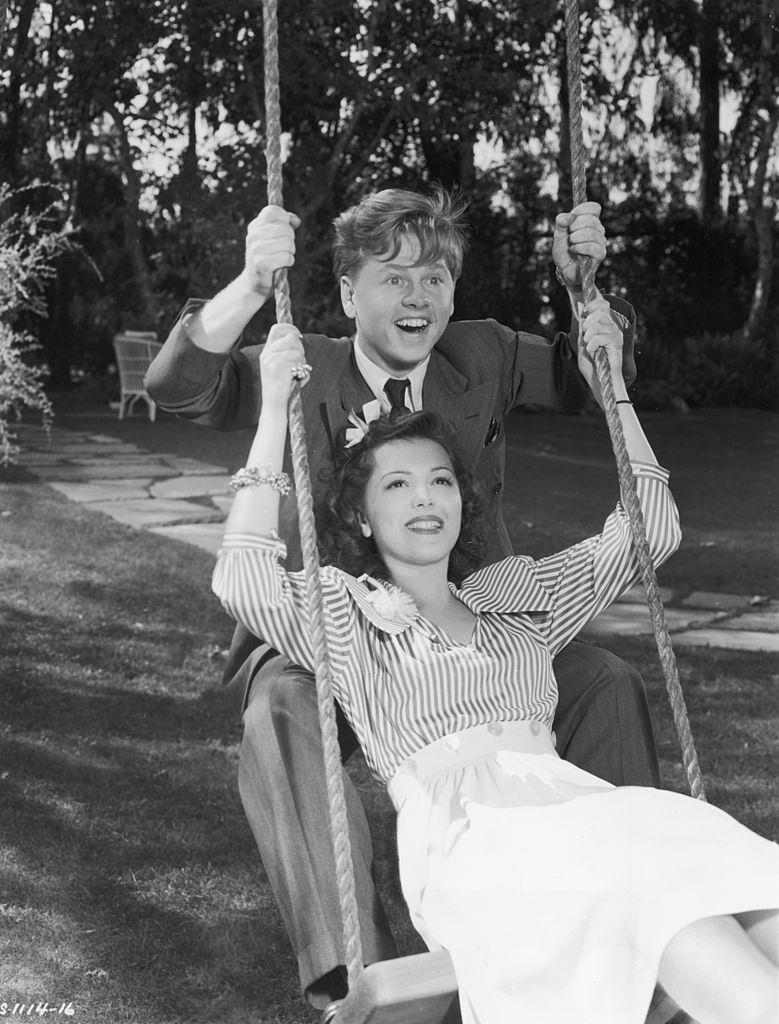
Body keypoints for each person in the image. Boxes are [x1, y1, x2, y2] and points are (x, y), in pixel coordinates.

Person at [146, 189, 658, 1013]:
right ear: (350, 295)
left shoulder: (480, 355)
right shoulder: (305, 359)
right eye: (393, 278)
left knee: (603, 679)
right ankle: (357, 976)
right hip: (335, 622)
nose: (417, 297)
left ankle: (627, 910)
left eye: (434, 277)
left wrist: (585, 288)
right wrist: (249, 281)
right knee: (280, 706)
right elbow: (178, 385)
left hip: (466, 618)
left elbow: (587, 372)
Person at [210, 302, 779, 1024]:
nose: (424, 496)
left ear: (461, 500)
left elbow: (649, 530)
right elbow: (243, 581)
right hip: (479, 844)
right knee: (715, 954)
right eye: (396, 484)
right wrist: (271, 413)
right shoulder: (350, 615)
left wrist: (615, 394)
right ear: (360, 517)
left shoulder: (515, 600)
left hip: (582, 811)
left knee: (746, 895)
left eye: (440, 480)